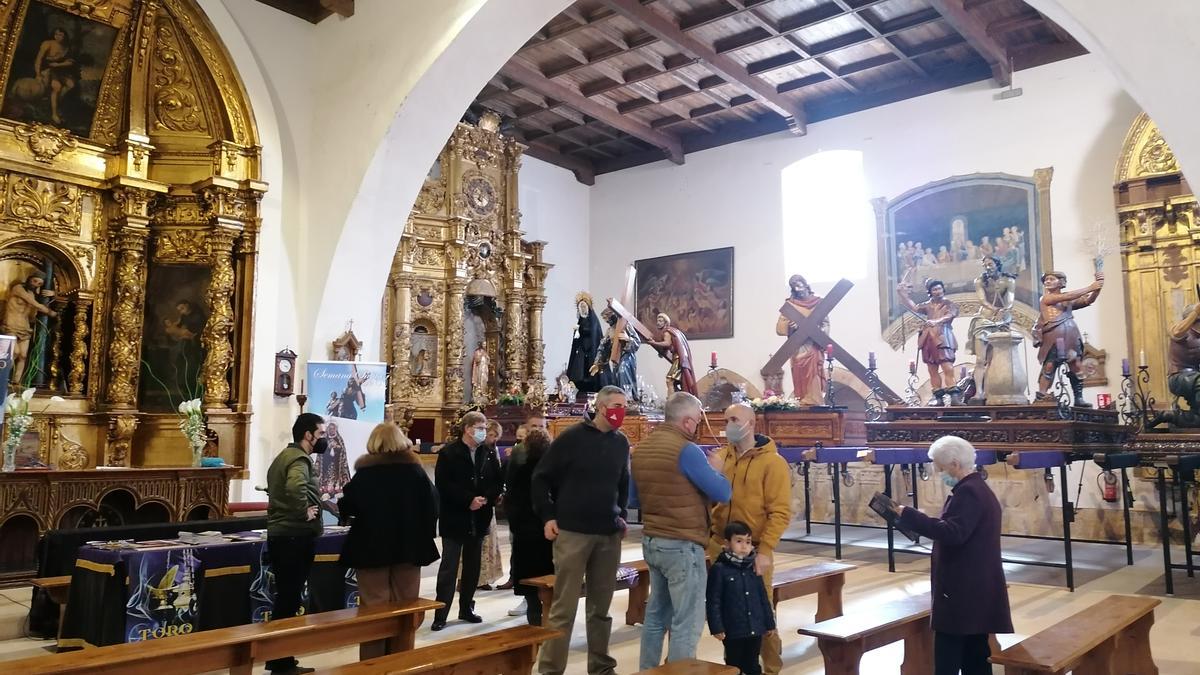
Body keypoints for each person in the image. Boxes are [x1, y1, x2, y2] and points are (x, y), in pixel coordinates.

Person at [532, 385, 631, 675]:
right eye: (616, 405)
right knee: (564, 607)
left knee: (601, 608)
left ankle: (601, 666)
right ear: (600, 407)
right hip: (573, 531)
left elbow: (623, 483)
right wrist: (548, 515)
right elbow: (541, 478)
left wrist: (622, 514)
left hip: (608, 533)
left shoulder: (621, 442)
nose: (620, 412)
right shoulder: (571, 439)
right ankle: (551, 669)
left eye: (624, 406)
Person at [893, 435, 1012, 675]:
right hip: (974, 587)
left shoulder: (969, 492)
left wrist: (910, 515)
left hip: (961, 591)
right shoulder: (977, 489)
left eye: (940, 467)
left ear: (955, 464)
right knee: (975, 654)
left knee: (948, 654)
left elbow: (953, 533)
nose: (939, 472)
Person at [632, 391, 731, 670]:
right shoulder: (686, 450)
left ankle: (647, 671)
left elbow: (634, 499)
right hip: (682, 545)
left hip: (653, 540)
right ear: (687, 422)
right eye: (698, 421)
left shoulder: (643, 447)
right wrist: (718, 469)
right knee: (687, 621)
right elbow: (722, 492)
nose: (698, 426)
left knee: (655, 617)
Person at [338, 423, 439, 659]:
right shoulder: (415, 472)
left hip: (371, 548)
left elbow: (348, 504)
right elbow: (433, 506)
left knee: (374, 607)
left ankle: (373, 664)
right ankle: (401, 660)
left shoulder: (366, 473)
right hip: (409, 547)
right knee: (406, 606)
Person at [706, 402, 792, 675]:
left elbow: (780, 512)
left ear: (750, 424)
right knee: (730, 615)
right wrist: (714, 475)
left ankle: (771, 670)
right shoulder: (722, 457)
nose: (728, 424)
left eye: (734, 419)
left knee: (760, 613)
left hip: (752, 550)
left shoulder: (772, 462)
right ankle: (735, 669)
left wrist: (765, 549)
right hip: (720, 545)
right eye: (726, 419)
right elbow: (709, 501)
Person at [265, 413, 327, 675]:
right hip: (294, 536)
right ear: (308, 435)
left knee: (286, 597)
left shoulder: (284, 456)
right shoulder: (300, 459)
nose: (323, 438)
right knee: (288, 599)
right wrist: (304, 511)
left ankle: (278, 657)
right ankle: (281, 661)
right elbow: (294, 488)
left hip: (283, 534)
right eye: (321, 434)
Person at [431, 411, 503, 631]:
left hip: (479, 516)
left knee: (473, 567)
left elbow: (497, 480)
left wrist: (486, 498)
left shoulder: (488, 452)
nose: (483, 431)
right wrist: (467, 500)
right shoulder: (449, 453)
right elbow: (444, 485)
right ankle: (441, 613)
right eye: (480, 427)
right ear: (468, 429)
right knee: (449, 568)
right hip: (456, 516)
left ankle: (466, 608)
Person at [707, 521, 777, 675]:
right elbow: (713, 600)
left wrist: (769, 623)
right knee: (734, 666)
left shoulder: (753, 567)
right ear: (727, 543)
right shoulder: (719, 569)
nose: (744, 546)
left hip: (755, 627)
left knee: (753, 665)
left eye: (748, 542)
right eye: (739, 541)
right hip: (733, 629)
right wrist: (717, 627)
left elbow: (762, 597)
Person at [506, 427, 555, 624]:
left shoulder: (519, 470)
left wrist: (515, 525)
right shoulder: (552, 471)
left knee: (530, 588)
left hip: (524, 534)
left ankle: (534, 621)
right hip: (546, 534)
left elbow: (511, 499)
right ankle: (550, 624)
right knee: (549, 583)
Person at [1032, 271, 1103, 405]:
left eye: (1051, 279)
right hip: (1054, 335)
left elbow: (1088, 300)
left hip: (1071, 336)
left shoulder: (1067, 301)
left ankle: (1078, 398)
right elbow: (1069, 295)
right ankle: (1042, 395)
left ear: (1061, 282)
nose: (1047, 282)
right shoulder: (1046, 298)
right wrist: (1090, 287)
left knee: (1075, 365)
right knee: (1050, 365)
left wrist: (1097, 289)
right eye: (1046, 280)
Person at [897, 278, 961, 406]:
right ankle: (938, 397)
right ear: (930, 292)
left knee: (947, 366)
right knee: (932, 368)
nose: (937, 291)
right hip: (928, 338)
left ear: (943, 289)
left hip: (943, 336)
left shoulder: (949, 304)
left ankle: (954, 396)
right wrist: (903, 295)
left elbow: (950, 315)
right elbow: (914, 307)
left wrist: (936, 321)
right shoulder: (927, 305)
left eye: (939, 288)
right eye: (934, 289)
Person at [963, 256, 1017, 401]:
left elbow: (1010, 299)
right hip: (985, 320)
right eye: (985, 265)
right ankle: (978, 392)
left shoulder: (1008, 280)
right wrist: (994, 309)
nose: (988, 267)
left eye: (990, 264)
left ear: (997, 264)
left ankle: (992, 391)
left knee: (996, 360)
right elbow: (982, 300)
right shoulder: (980, 281)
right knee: (981, 360)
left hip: (1001, 320)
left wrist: (1005, 309)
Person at [775, 275, 827, 405]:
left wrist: (817, 331)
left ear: (805, 284)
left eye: (800, 285)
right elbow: (779, 328)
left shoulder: (819, 303)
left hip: (813, 345)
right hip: (798, 346)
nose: (799, 289)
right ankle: (802, 398)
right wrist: (790, 326)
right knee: (799, 370)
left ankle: (814, 400)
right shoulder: (791, 305)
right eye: (795, 287)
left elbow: (825, 323)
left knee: (813, 372)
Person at [1150, 303, 1200, 428]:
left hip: (1194, 378)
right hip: (1179, 377)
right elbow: (1177, 331)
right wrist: (1195, 312)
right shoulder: (1182, 332)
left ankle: (1171, 416)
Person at [2, 272, 56, 384]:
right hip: (11, 325)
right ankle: (3, 378)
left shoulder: (32, 294)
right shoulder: (18, 288)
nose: (36, 285)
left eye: (39, 284)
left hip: (24, 326)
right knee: (14, 352)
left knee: (23, 355)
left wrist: (54, 294)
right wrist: (50, 312)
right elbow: (34, 303)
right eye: (34, 281)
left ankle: (16, 382)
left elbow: (32, 312)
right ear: (29, 279)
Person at [476, 419, 506, 589]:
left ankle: (485, 577)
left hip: (489, 502)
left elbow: (497, 475)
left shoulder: (492, 451)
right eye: (490, 434)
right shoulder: (479, 452)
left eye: (495, 436)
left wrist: (496, 492)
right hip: (478, 501)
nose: (492, 438)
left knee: (489, 543)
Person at [647, 313, 698, 396]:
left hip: (678, 359)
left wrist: (654, 343)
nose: (658, 323)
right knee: (674, 382)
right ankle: (676, 397)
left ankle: (671, 401)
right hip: (679, 359)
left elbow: (667, 343)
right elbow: (669, 347)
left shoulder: (667, 332)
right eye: (657, 321)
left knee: (669, 380)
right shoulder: (671, 331)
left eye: (660, 321)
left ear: (665, 323)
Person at [568, 292, 604, 395]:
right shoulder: (580, 321)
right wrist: (577, 331)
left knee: (591, 372)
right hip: (582, 350)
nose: (582, 309)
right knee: (579, 372)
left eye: (584, 306)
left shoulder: (594, 321)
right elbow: (576, 339)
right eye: (580, 307)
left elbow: (596, 336)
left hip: (591, 349)